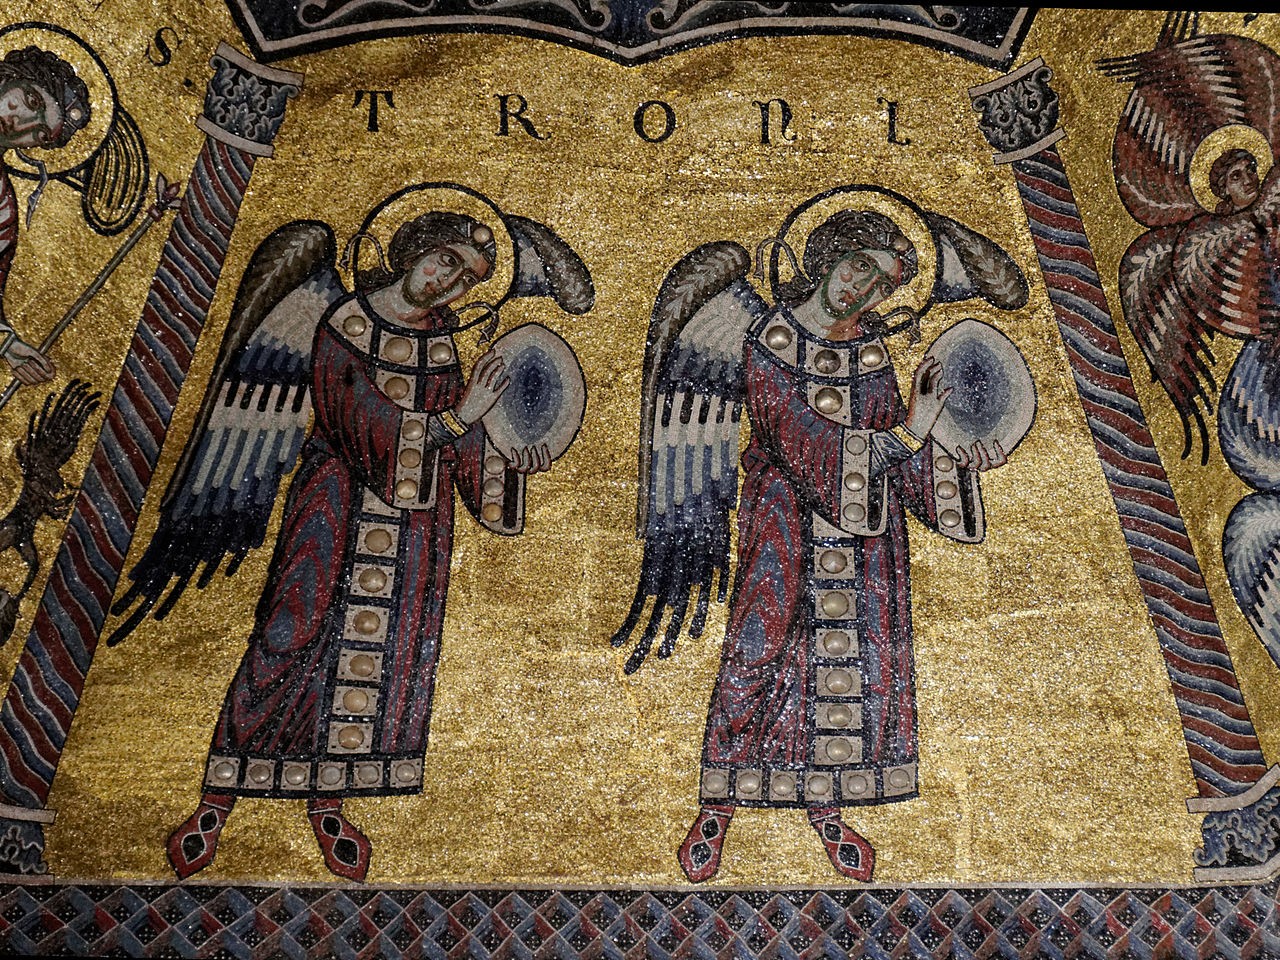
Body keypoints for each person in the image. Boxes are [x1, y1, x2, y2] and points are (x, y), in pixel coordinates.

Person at [167, 211, 551, 882]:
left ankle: (328, 801)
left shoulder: (440, 342)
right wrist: (461, 417)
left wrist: (509, 453)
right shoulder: (344, 323)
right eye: (447, 261)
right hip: (333, 507)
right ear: (415, 249)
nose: (450, 283)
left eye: (468, 280)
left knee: (378, 652)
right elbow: (354, 417)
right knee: (292, 629)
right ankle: (215, 802)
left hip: (412, 529)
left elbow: (461, 439)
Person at [676, 210, 1003, 882]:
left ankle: (827, 810)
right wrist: (907, 434)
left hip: (866, 541)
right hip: (784, 525)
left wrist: (957, 458)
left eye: (882, 285)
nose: (862, 289)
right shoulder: (770, 338)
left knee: (849, 662)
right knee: (761, 647)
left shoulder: (874, 356)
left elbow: (905, 451)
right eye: (859, 267)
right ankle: (717, 805)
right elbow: (790, 430)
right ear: (828, 257)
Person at [0, 45, 91, 386]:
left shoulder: (1, 209)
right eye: (31, 101)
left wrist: (6, 344)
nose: (20, 124)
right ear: (11, 77)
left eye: (38, 135)